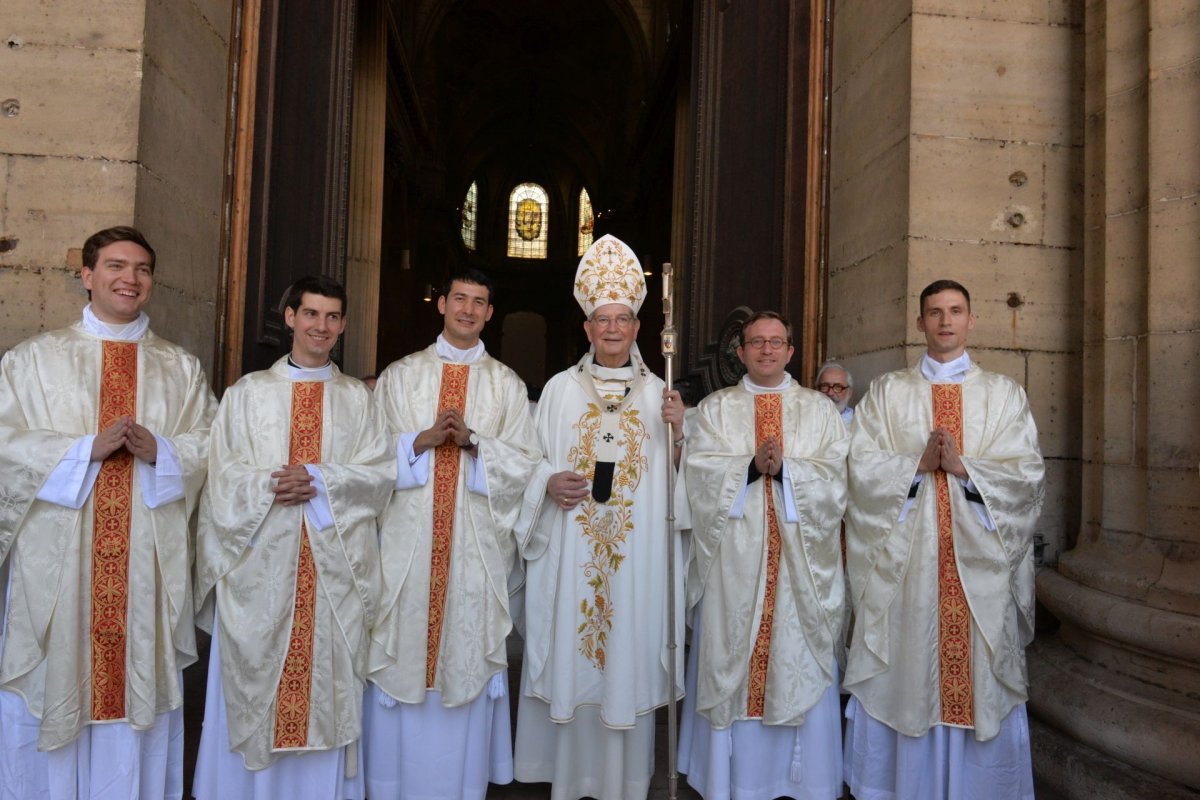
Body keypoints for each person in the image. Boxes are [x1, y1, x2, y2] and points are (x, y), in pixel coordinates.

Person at [0, 226, 217, 799]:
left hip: (143, 565)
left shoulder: (181, 369)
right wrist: (80, 450)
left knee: (135, 690)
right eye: (117, 266)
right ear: (87, 275)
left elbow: (213, 447)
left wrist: (163, 452)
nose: (131, 278)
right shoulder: (34, 359)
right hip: (61, 561)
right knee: (56, 680)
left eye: (143, 269)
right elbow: (4, 444)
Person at [843, 279, 1046, 800]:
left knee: (978, 675)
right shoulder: (889, 393)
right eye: (934, 312)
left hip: (978, 570)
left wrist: (964, 469)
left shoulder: (1003, 395)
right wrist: (914, 466)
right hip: (907, 573)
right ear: (920, 323)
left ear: (972, 320)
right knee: (908, 676)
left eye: (955, 311)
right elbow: (859, 470)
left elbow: (1026, 477)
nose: (945, 322)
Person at [193, 275, 394, 799]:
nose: (320, 326)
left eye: (332, 317)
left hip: (333, 576)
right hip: (262, 572)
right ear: (290, 319)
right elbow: (220, 475)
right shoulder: (247, 394)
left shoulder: (359, 400)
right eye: (310, 314)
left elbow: (381, 477)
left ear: (343, 325)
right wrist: (267, 484)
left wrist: (323, 479)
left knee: (326, 690)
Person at [513, 234, 687, 800]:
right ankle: (569, 777)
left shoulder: (661, 396)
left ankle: (625, 782)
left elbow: (681, 491)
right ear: (586, 328)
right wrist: (546, 481)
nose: (612, 329)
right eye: (601, 320)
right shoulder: (560, 392)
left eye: (622, 319)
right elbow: (527, 464)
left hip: (633, 561)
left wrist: (679, 434)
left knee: (625, 656)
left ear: (638, 328)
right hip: (570, 549)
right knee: (573, 651)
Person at [364, 268, 541, 799]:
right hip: (408, 545)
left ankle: (459, 785)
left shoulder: (506, 384)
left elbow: (528, 465)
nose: (467, 309)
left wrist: (476, 444)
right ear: (440, 304)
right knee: (403, 649)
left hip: (473, 548)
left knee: (463, 654)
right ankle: (393, 783)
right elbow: (368, 459)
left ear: (490, 313)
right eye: (459, 299)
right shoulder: (400, 376)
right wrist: (416, 442)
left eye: (479, 302)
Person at [678, 310, 849, 800]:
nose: (767, 350)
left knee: (796, 658)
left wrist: (791, 471)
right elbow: (699, 477)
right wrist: (750, 469)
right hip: (734, 565)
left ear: (791, 351)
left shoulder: (819, 410)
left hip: (801, 568)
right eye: (757, 342)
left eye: (777, 343)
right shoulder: (715, 409)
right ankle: (732, 780)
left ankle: (803, 780)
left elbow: (839, 479)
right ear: (740, 351)